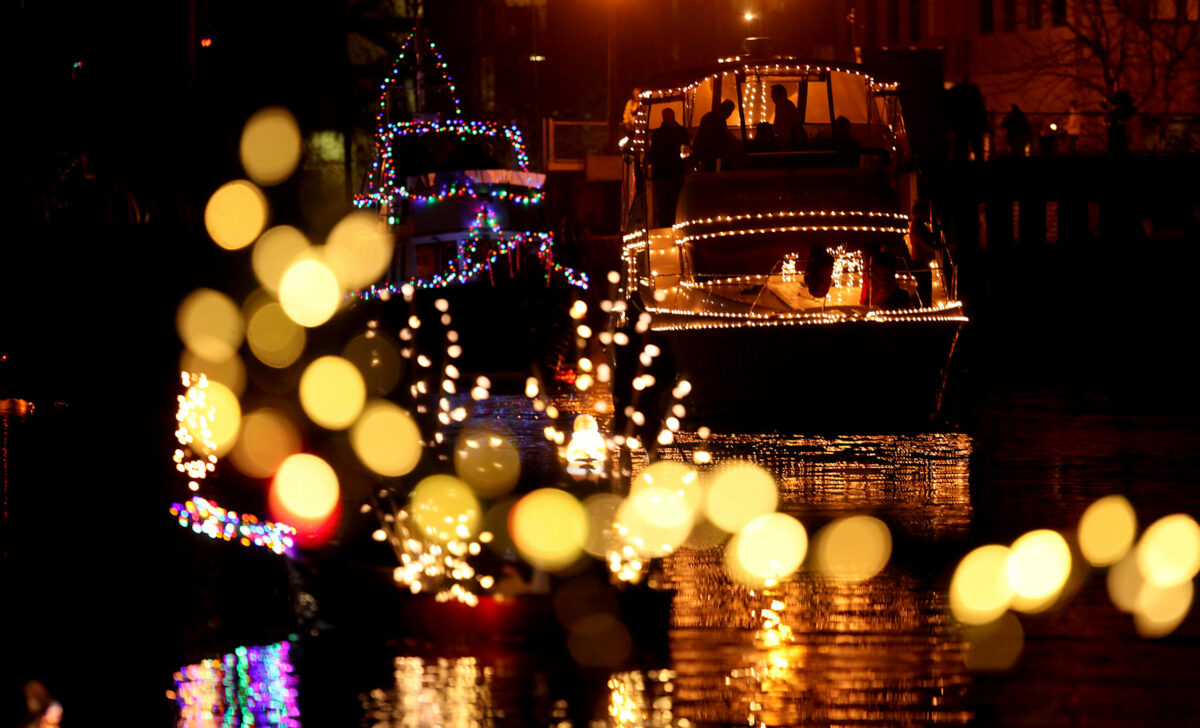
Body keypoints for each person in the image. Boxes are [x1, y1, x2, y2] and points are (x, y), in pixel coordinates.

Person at [649, 108, 690, 226]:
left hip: (661, 172)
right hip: (674, 171)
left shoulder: (657, 134)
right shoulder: (678, 131)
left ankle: (665, 223)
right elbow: (686, 140)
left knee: (664, 202)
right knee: (675, 200)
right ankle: (674, 222)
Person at [947, 75, 988, 161]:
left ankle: (961, 163)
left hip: (964, 124)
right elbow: (981, 111)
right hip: (971, 125)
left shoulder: (960, 94)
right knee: (974, 147)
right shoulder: (975, 97)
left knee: (962, 147)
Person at [906, 201, 939, 305]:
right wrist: (940, 247)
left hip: (921, 260)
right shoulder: (917, 226)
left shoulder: (920, 225)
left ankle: (923, 306)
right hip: (920, 260)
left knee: (923, 288)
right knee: (923, 289)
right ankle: (921, 308)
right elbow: (925, 244)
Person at [691, 99, 737, 171]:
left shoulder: (707, 116)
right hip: (711, 153)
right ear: (728, 112)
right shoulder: (720, 119)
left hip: (702, 151)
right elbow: (723, 137)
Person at [770, 84, 798, 149]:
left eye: (773, 95)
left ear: (779, 94)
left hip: (787, 141)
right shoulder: (782, 105)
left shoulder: (785, 105)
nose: (772, 97)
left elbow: (791, 123)